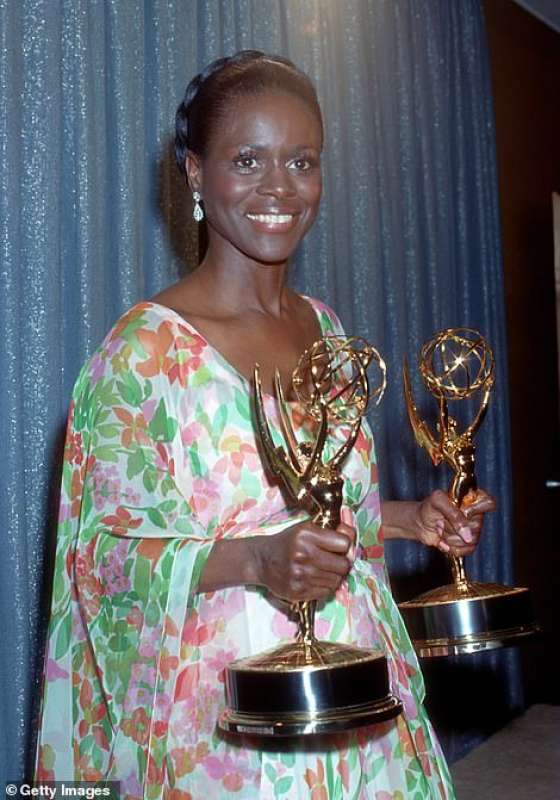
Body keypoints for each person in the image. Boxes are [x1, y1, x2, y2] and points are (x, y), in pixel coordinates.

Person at [36, 51, 496, 799]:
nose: (279, 187)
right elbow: (102, 563)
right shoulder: (145, 351)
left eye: (302, 161)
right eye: (246, 159)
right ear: (193, 172)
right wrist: (255, 561)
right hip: (227, 719)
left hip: (356, 679)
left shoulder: (326, 328)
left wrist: (412, 521)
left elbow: (323, 510)